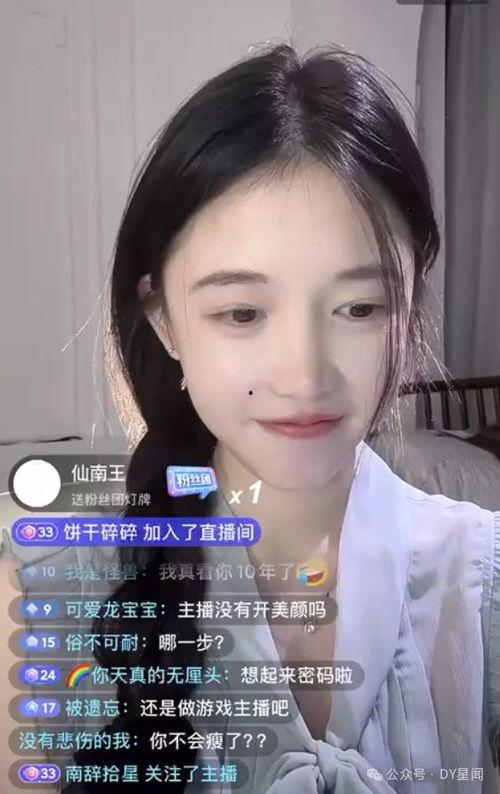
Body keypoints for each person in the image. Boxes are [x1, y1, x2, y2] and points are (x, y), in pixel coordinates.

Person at [2, 42, 499, 792]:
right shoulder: (43, 595)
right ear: (164, 319)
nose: (304, 376)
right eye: (241, 312)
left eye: (359, 308)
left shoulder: (482, 578)